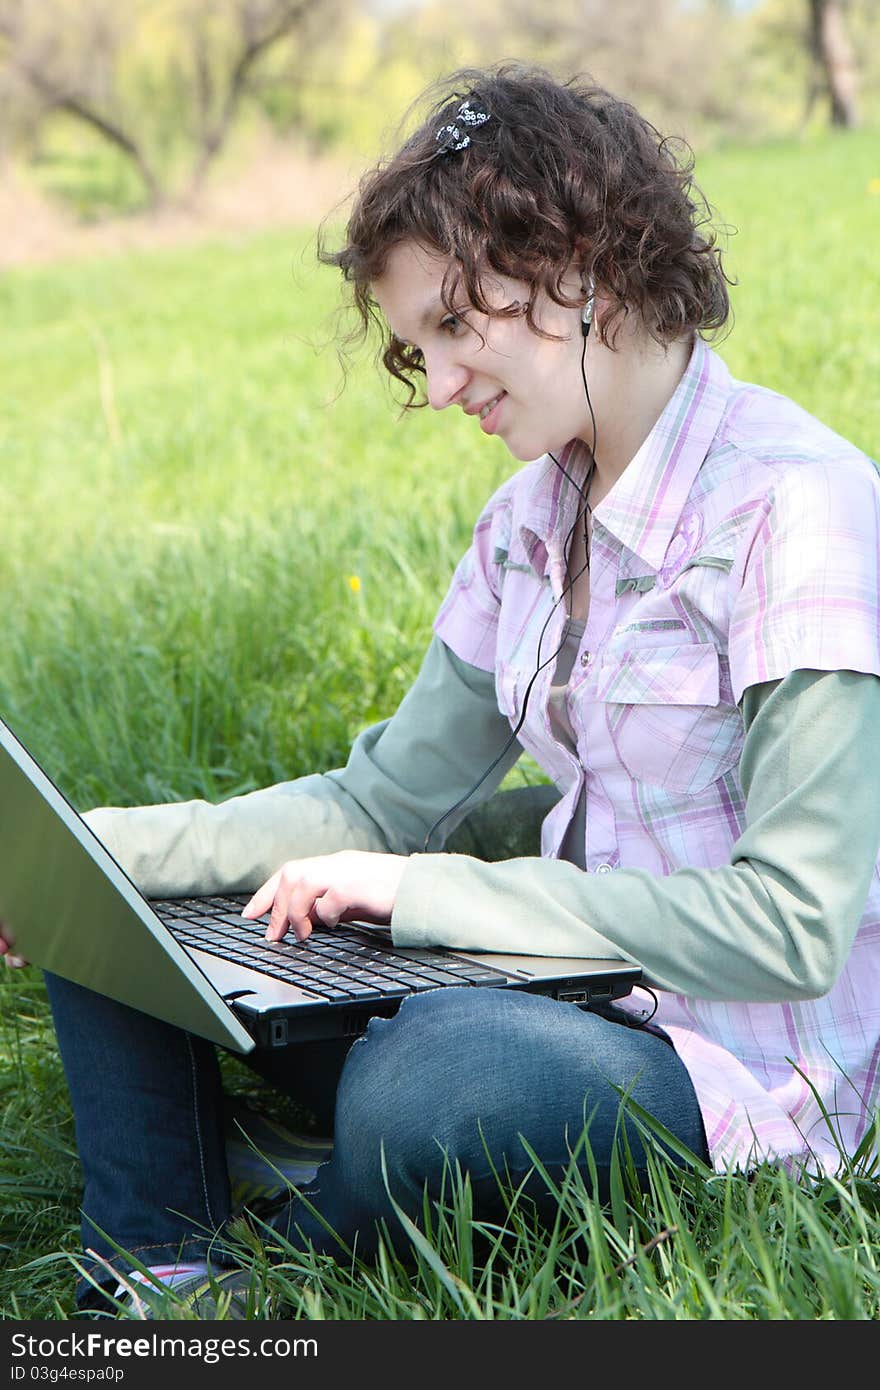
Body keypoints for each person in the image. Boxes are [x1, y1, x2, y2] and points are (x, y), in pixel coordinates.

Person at [5, 62, 880, 1318]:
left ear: (582, 267)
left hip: (742, 1066)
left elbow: (790, 926)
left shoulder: (797, 506)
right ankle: (162, 1267)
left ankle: (291, 1212)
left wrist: (429, 895)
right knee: (121, 907)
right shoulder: (526, 522)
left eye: (457, 328)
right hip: (552, 986)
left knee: (433, 1080)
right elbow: (382, 798)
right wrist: (88, 856)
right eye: (422, 347)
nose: (445, 382)